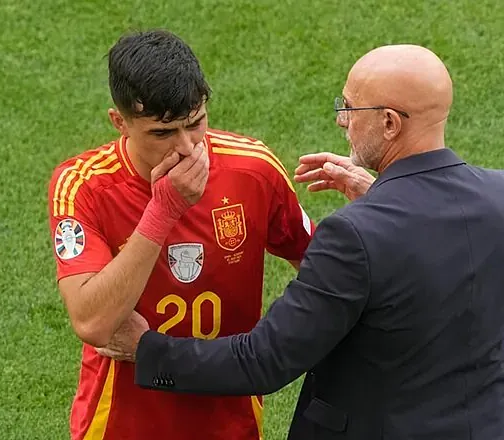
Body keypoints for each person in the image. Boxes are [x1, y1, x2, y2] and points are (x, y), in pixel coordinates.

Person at [121, 44, 504, 439]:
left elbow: (265, 361)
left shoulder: (354, 235)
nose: (342, 119)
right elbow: (443, 278)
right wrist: (384, 200)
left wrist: (148, 350)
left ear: (389, 123)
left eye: (349, 107)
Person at [47, 29, 314, 440]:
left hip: (231, 424)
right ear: (120, 122)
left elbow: (325, 275)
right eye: (162, 133)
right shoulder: (84, 185)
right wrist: (163, 211)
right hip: (119, 425)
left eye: (195, 123)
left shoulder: (254, 170)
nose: (188, 147)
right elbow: (92, 321)